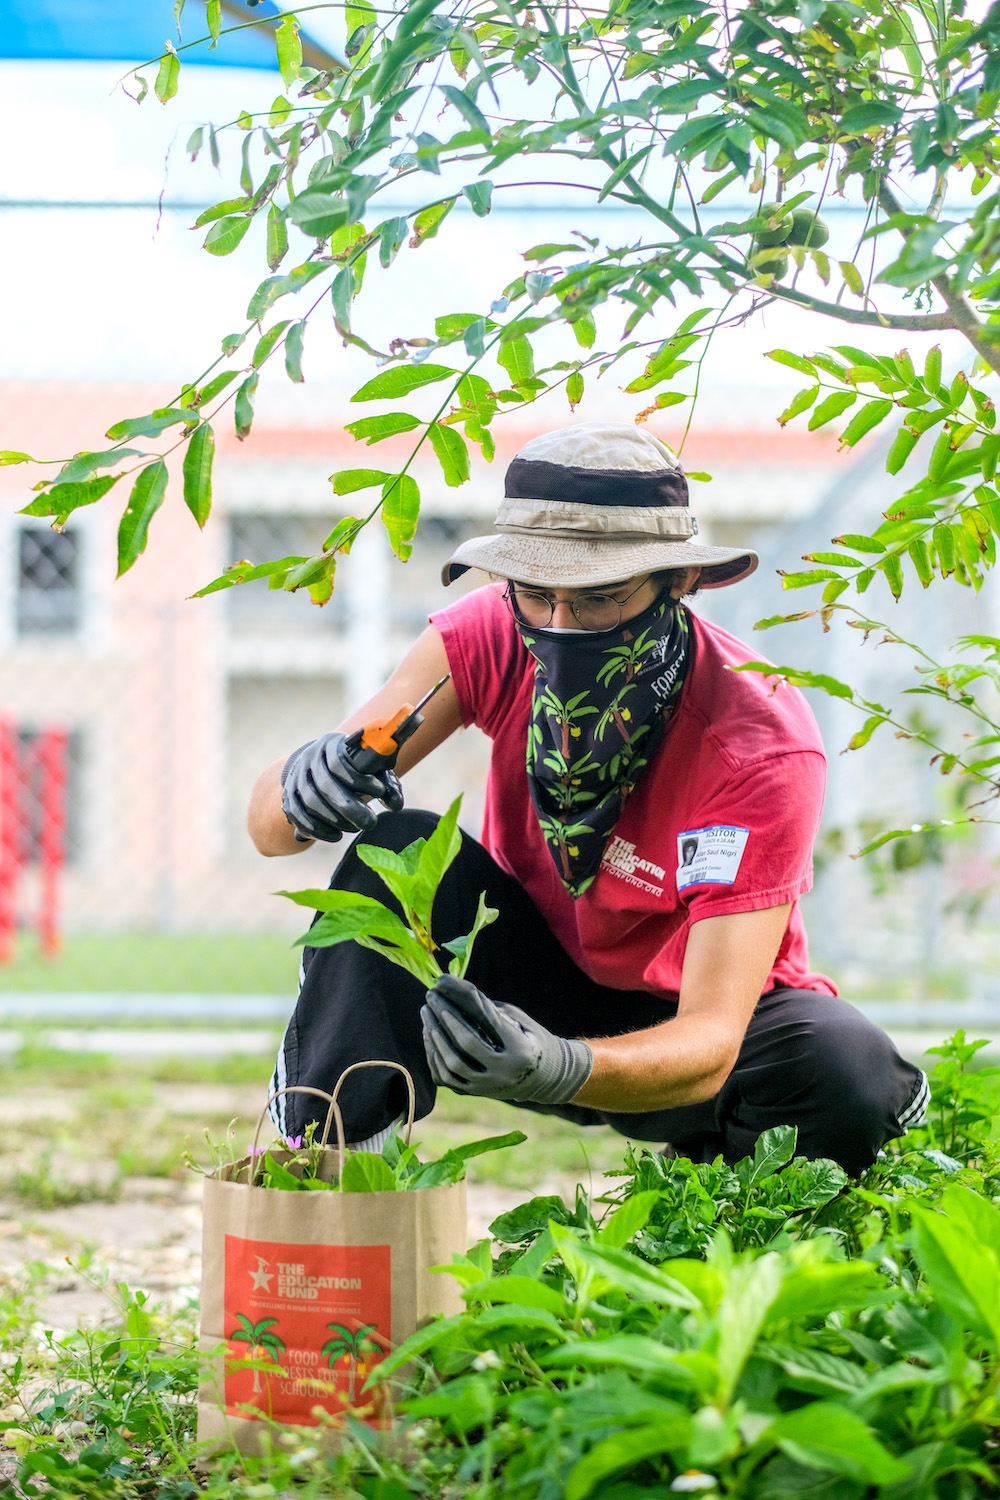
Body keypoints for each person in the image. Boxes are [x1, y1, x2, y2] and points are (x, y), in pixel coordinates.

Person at [249, 423, 928, 1176]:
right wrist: (304, 782)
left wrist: (565, 1065)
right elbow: (272, 832)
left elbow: (710, 1038)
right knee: (398, 852)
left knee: (845, 1068)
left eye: (600, 599)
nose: (560, 627)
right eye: (536, 595)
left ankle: (728, 1210)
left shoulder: (755, 740)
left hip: (690, 1031)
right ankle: (324, 1175)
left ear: (679, 582)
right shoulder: (491, 636)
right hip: (527, 988)